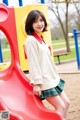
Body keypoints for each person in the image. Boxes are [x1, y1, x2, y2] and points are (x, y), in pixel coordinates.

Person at [24, 10, 70, 119]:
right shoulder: (31, 41)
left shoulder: (41, 39)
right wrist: (37, 83)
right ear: (30, 24)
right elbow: (33, 62)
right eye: (35, 21)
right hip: (44, 81)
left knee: (66, 103)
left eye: (41, 20)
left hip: (52, 78)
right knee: (61, 107)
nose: (39, 24)